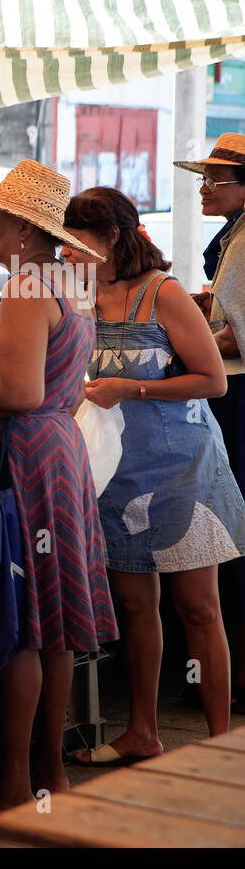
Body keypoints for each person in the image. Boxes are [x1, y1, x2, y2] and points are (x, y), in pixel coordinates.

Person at [0, 160, 119, 824]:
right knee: (53, 624)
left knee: (24, 625)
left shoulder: (28, 290)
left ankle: (14, 781)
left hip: (25, 459)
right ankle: (51, 774)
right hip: (57, 453)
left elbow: (19, 394)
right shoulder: (63, 283)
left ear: (19, 227)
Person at [58, 186, 243, 764]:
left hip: (183, 466)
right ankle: (143, 732)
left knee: (198, 608)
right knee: (136, 605)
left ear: (111, 236)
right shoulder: (78, 294)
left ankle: (218, 750)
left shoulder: (161, 292)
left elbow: (214, 380)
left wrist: (131, 387)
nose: (66, 255)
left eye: (75, 243)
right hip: (115, 471)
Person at [175, 132, 245, 711]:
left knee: (229, 533)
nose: (204, 188)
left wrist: (189, 338)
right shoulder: (234, 238)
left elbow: (237, 334)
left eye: (214, 181)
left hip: (237, 397)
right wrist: (206, 308)